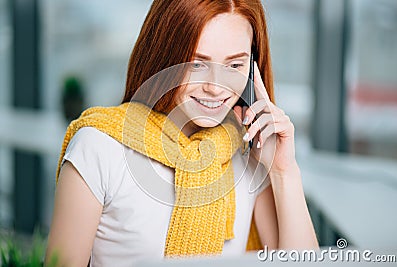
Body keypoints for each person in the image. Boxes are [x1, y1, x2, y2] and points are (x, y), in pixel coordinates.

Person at [45, 0, 318, 266]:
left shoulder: (249, 153)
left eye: (234, 66)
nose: (215, 87)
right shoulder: (99, 147)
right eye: (197, 64)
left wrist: (284, 171)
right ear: (163, 58)